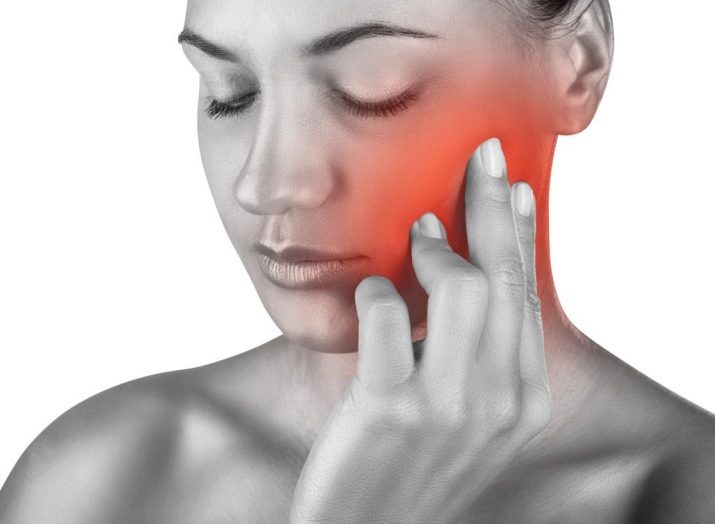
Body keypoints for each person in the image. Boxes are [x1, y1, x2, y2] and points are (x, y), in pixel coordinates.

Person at [1, 0, 714, 522]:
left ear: (578, 64)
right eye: (229, 95)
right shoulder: (105, 476)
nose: (264, 184)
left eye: (372, 89)